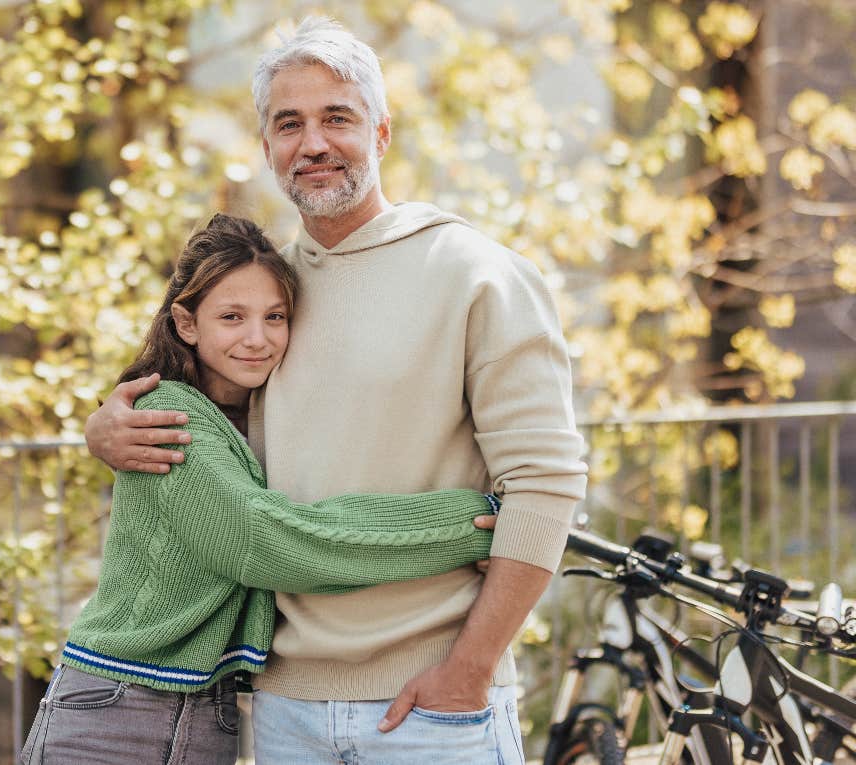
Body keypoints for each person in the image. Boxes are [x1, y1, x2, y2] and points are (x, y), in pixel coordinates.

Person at [84, 17, 588, 764]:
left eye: (337, 118)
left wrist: (469, 670)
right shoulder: (262, 294)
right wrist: (101, 430)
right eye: (290, 124)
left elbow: (546, 484)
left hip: (433, 708)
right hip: (285, 708)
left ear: (381, 134)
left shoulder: (476, 273)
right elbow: (187, 406)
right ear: (267, 149)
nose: (313, 143)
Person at [19, 214, 502, 765]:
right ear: (187, 322)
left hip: (209, 708)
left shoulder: (262, 417)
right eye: (231, 317)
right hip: (119, 709)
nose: (257, 338)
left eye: (275, 317)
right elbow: (268, 542)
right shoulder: (166, 415)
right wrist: (471, 524)